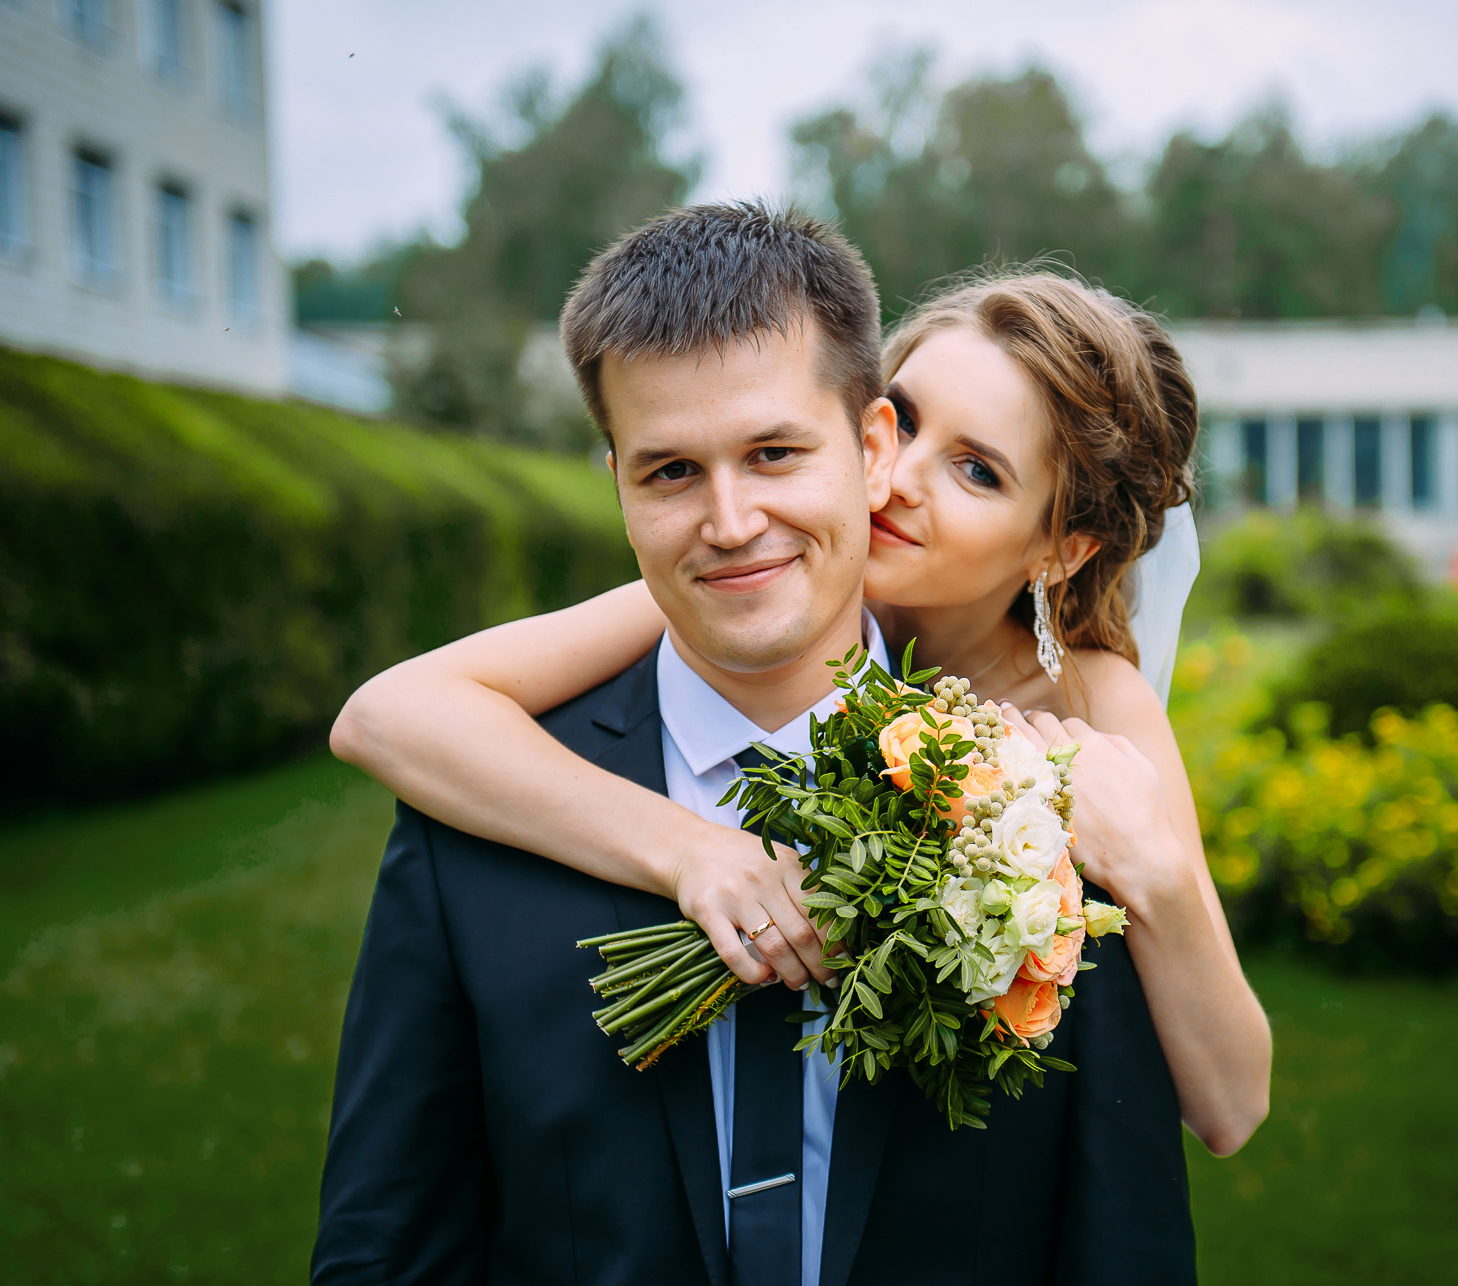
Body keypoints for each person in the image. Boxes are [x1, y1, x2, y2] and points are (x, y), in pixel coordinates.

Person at [312, 203, 1197, 1286]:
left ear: (870, 449)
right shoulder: (469, 821)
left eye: (773, 452)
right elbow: (384, 1248)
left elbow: (1128, 1239)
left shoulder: (1047, 807)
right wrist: (685, 849)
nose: (729, 522)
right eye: (670, 471)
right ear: (620, 485)